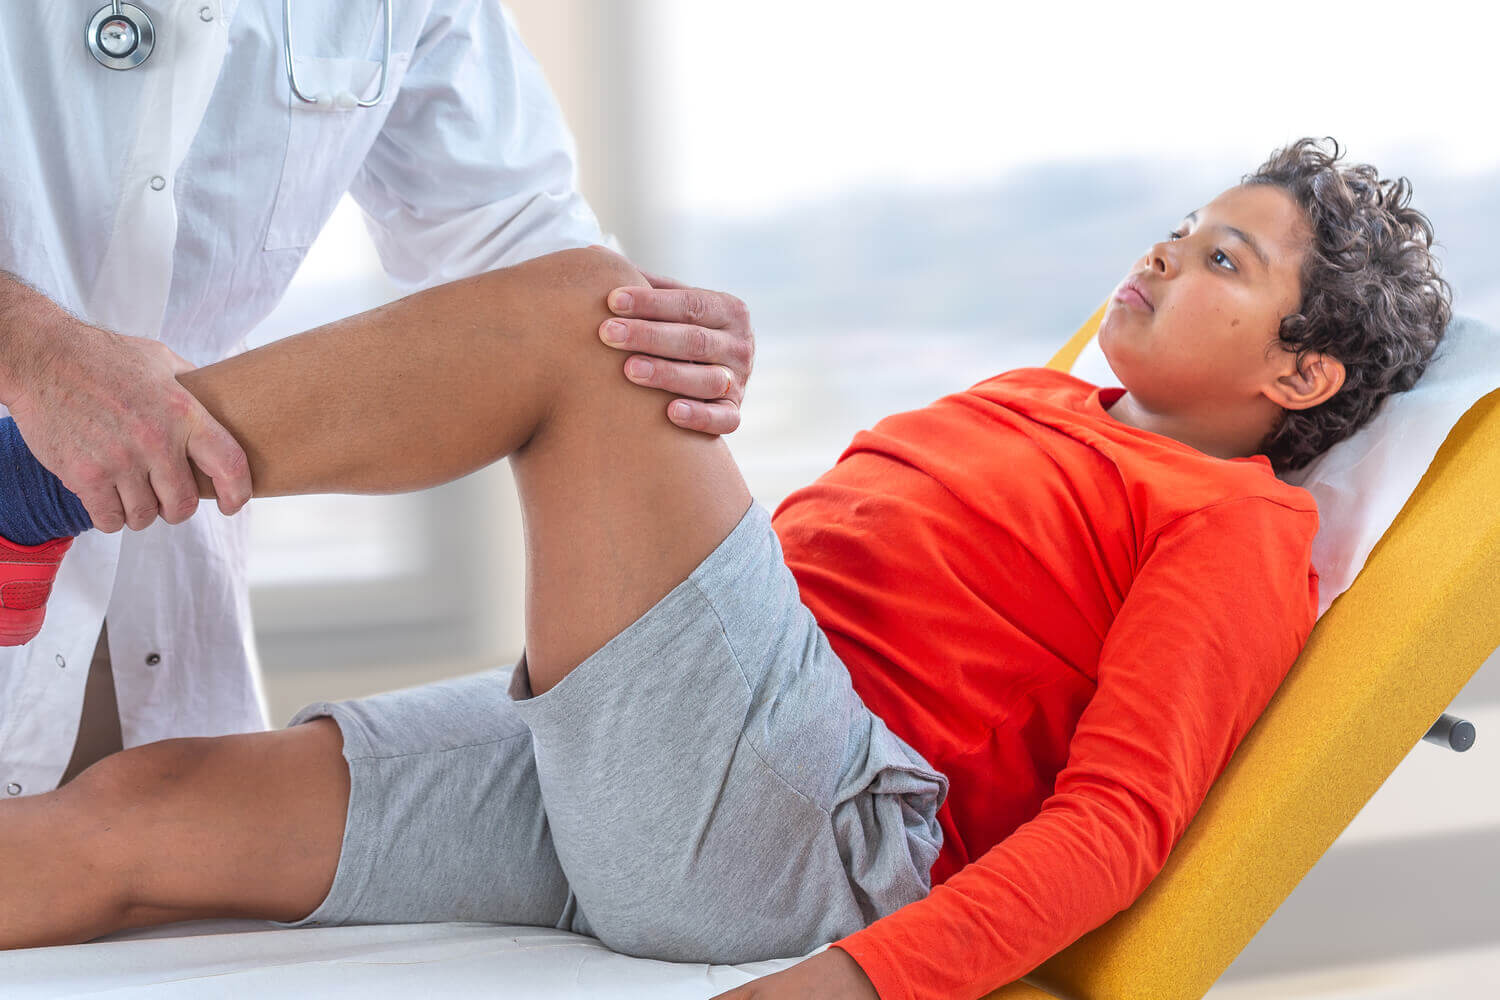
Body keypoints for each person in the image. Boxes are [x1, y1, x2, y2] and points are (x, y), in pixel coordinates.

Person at [0, 138, 1452, 1000]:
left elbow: (1121, 824)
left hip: (815, 828)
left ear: (1300, 367)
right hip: (676, 759)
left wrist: (856, 982)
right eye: (1185, 229)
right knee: (150, 808)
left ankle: (44, 483)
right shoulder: (1037, 398)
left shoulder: (1237, 528)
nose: (1163, 253)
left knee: (588, 324)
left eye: (1225, 263)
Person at [0, 2, 757, 793]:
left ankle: (26, 487)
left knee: (596, 322)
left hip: (158, 599)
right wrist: (30, 349)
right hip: (98, 507)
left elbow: (515, 242)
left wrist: (640, 325)